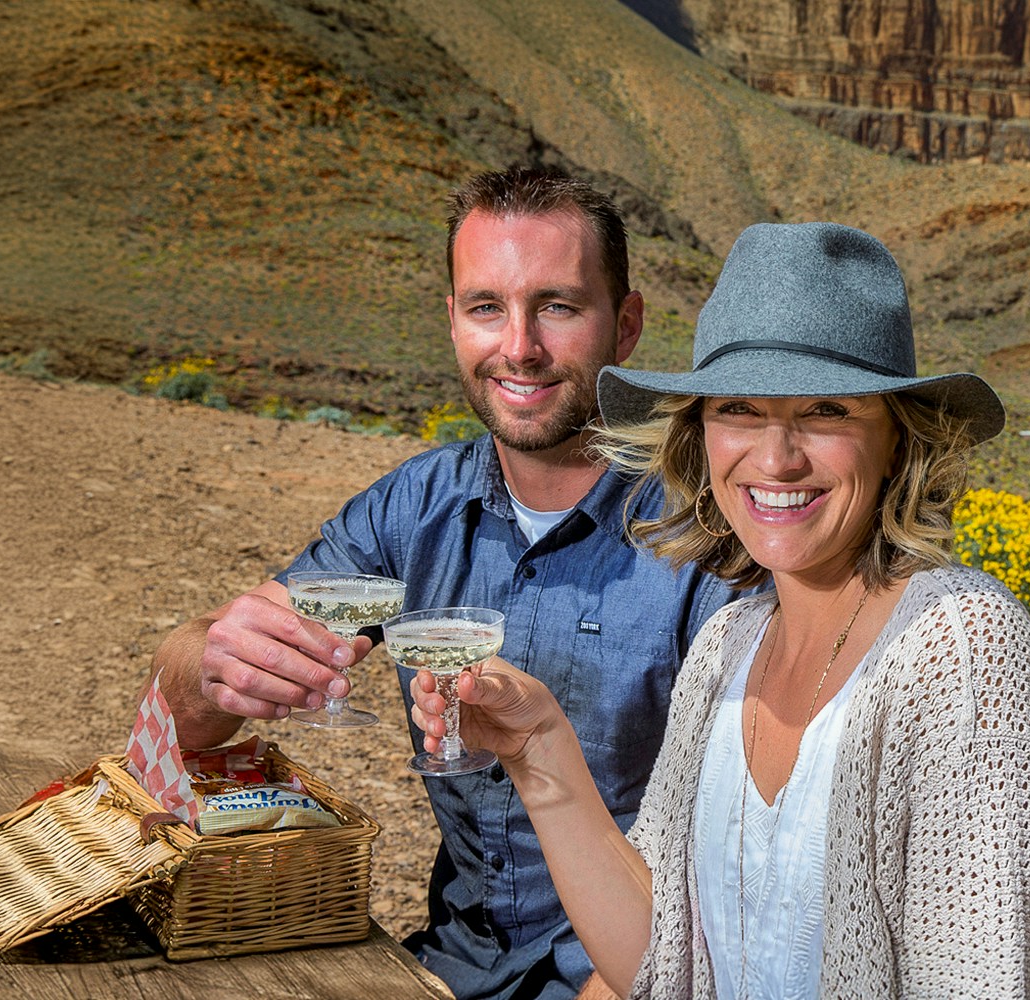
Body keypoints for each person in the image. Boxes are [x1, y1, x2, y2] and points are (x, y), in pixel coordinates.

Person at [413, 222, 1030, 998]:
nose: (776, 459)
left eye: (827, 411)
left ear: (899, 443)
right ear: (699, 436)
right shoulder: (729, 646)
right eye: (738, 407)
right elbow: (659, 962)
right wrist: (539, 749)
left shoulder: (963, 653)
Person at [147, 166, 738, 1000]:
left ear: (627, 324)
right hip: (444, 965)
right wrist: (214, 662)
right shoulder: (412, 508)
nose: (520, 347)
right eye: (486, 307)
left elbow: (728, 879)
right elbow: (183, 717)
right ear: (453, 320)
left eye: (558, 306)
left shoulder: (709, 541)